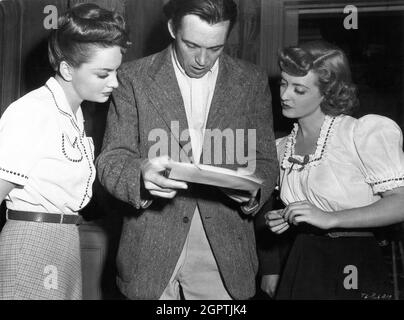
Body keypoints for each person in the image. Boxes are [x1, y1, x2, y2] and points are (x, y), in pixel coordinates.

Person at [96, 0, 278, 300]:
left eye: (216, 48)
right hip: (149, 250)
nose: (202, 59)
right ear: (172, 28)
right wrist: (140, 175)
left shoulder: (252, 80)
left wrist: (253, 188)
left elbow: (266, 161)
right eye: (192, 44)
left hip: (225, 253)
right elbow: (112, 159)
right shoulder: (132, 78)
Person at [0, 3, 129, 300]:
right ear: (67, 69)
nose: (115, 82)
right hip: (33, 241)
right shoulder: (33, 111)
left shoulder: (72, 115)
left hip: (65, 238)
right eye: (103, 74)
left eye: (116, 71)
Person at [265, 40, 404, 300]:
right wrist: (286, 217)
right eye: (283, 83)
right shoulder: (280, 148)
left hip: (354, 259)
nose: (285, 95)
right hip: (303, 258)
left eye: (299, 89)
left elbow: (400, 203)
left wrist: (330, 218)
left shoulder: (359, 134)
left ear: (327, 93)